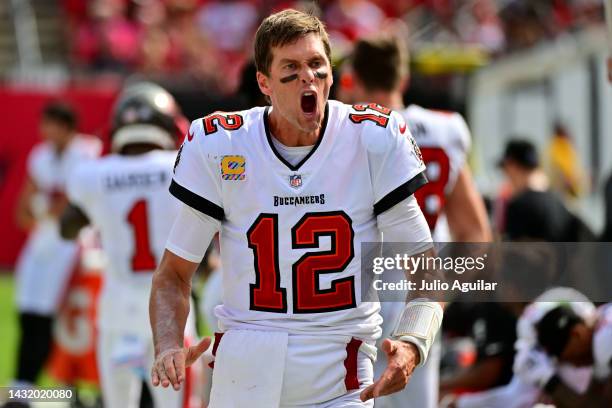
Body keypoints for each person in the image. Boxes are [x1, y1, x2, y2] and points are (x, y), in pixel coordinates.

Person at [150, 9, 444, 407]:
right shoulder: (221, 145)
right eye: (291, 66)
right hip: (245, 366)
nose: (308, 76)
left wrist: (412, 343)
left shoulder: (372, 139)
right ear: (264, 82)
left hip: (340, 373)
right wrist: (168, 343)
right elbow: (173, 275)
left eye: (316, 64)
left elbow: (427, 270)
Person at [343, 35, 491, 408]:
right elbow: (475, 232)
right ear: (403, 79)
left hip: (354, 292)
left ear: (354, 81)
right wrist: (437, 300)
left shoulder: (346, 130)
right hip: (419, 289)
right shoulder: (445, 129)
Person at [61, 82, 198, 408]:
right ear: (168, 125)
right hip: (171, 310)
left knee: (118, 403)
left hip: (117, 311)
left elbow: (67, 228)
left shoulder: (92, 174)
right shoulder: (183, 165)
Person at [13, 102, 101, 388]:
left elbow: (69, 206)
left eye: (51, 124)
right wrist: (42, 209)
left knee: (59, 319)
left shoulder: (87, 151)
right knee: (28, 312)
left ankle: (67, 390)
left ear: (66, 126)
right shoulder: (41, 156)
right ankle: (22, 385)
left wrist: (43, 208)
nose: (45, 130)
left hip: (76, 244)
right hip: (43, 243)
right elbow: (23, 211)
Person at [513, 302, 612, 406]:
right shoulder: (602, 315)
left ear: (577, 334)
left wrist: (548, 381)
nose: (576, 365)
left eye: (571, 358)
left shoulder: (603, 341)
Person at [498, 138, 594, 242]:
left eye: (505, 168)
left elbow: (515, 254)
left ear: (512, 166)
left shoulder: (519, 206)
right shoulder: (559, 203)